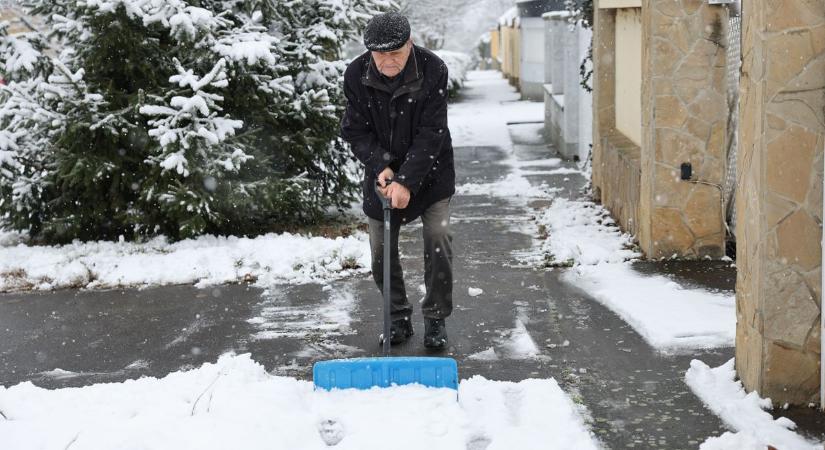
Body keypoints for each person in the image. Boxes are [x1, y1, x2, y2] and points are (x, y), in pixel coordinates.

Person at [340, 12, 455, 349]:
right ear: (370, 53)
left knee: (439, 239)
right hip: (382, 175)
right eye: (380, 55)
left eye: (396, 54)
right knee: (380, 251)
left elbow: (432, 133)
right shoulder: (356, 74)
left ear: (410, 43)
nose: (388, 62)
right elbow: (354, 129)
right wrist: (381, 165)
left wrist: (406, 180)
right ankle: (397, 318)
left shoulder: (433, 69)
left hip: (431, 173)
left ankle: (435, 319)